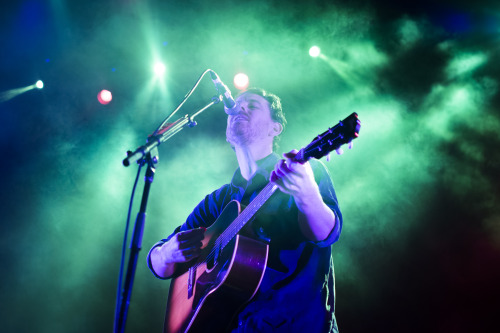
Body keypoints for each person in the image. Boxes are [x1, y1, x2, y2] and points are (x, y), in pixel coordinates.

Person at [148, 88, 343, 332]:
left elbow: (326, 233)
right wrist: (166, 253)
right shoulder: (218, 202)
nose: (239, 108)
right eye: (236, 105)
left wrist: (307, 194)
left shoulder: (303, 171)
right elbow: (159, 264)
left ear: (275, 128)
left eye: (252, 105)